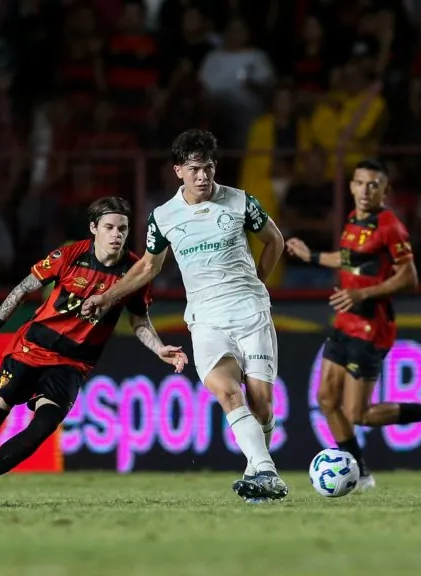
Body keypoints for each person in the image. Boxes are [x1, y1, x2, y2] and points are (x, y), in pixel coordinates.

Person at [0, 196, 187, 506]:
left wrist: (160, 347)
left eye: (122, 228)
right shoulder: (69, 255)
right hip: (32, 347)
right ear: (93, 228)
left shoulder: (134, 273)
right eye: (109, 227)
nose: (116, 235)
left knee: (42, 429)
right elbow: (20, 291)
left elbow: (139, 321)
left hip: (73, 362)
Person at [81, 130, 288, 503]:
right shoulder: (164, 217)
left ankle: (256, 471)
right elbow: (147, 267)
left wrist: (257, 282)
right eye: (194, 169)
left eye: (208, 168)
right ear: (178, 171)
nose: (203, 176)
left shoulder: (240, 202)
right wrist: (108, 296)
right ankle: (268, 472)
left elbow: (276, 240)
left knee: (261, 406)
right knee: (227, 392)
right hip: (206, 319)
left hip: (251, 312)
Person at [284, 159, 421, 490]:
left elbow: (409, 279)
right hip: (345, 320)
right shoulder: (354, 219)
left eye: (373, 185)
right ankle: (361, 473)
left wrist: (361, 294)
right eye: (360, 183)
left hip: (371, 327)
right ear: (351, 186)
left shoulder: (390, 225)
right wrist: (312, 256)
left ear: (385, 190)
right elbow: (349, 257)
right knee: (325, 399)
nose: (365, 191)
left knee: (358, 414)